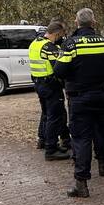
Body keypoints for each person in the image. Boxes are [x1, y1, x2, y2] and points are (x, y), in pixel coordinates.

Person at [54, 8, 104, 197]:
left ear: (77, 22)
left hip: (79, 99)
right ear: (93, 22)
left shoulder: (71, 45)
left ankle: (82, 184)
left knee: (81, 140)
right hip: (103, 97)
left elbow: (59, 71)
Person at [29, 21, 71, 160]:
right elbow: (59, 68)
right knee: (55, 116)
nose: (61, 37)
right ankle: (51, 149)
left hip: (39, 83)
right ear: (57, 33)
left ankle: (44, 140)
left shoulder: (35, 43)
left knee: (47, 113)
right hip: (51, 85)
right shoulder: (49, 47)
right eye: (61, 35)